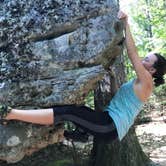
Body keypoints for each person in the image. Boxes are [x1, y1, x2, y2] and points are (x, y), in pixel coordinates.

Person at [0, 11, 166, 143]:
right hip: (108, 124)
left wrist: (126, 25)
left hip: (109, 126)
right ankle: (80, 135)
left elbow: (132, 53)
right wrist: (114, 80)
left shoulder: (147, 83)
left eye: (147, 60)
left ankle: (11, 113)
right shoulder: (138, 83)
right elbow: (117, 98)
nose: (143, 59)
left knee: (69, 112)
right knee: (79, 110)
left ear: (152, 70)